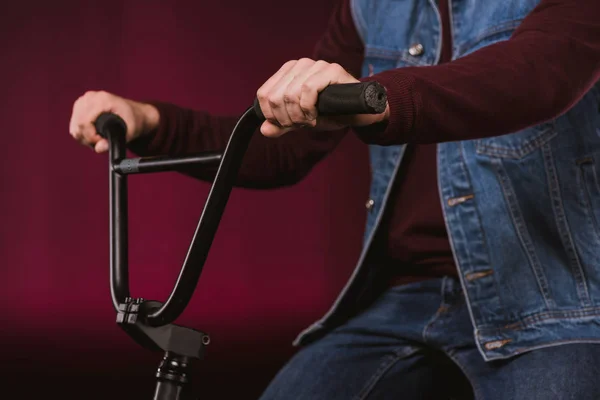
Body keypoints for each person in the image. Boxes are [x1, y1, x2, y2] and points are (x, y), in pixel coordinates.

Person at [70, 0, 600, 398]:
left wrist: (378, 99)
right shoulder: (373, 5)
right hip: (399, 297)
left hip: (550, 301)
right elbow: (280, 148)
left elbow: (536, 75)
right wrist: (151, 122)